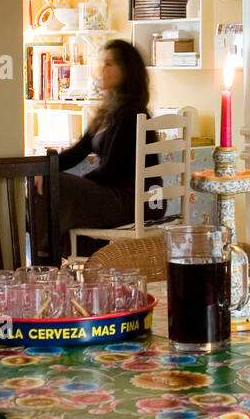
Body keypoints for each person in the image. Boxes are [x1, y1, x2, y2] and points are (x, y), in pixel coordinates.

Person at [40, 39, 166, 258]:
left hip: (135, 200)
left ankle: (45, 258)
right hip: (118, 195)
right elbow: (77, 152)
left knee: (58, 186)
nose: (102, 70)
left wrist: (72, 183)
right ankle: (52, 255)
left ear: (126, 70)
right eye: (102, 63)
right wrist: (44, 168)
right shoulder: (109, 111)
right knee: (52, 183)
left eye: (109, 64)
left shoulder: (132, 114)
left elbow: (112, 170)